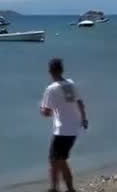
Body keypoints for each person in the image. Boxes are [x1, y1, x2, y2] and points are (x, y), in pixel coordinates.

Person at [40, 58, 88, 192]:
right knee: (57, 159)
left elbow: (46, 112)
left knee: (58, 160)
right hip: (74, 128)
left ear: (50, 71)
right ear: (62, 70)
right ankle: (55, 188)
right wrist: (84, 119)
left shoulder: (51, 89)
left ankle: (67, 189)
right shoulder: (71, 84)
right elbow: (80, 103)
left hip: (62, 130)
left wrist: (42, 110)